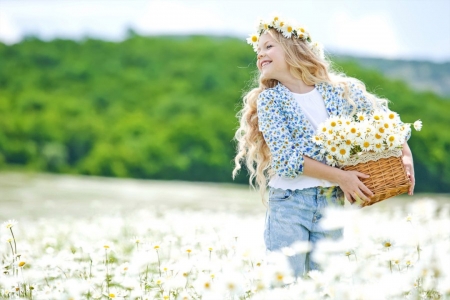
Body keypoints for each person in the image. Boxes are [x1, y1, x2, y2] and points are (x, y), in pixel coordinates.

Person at [232, 16, 415, 277]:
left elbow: (383, 118)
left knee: (328, 283)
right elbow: (286, 160)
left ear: (293, 48)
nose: (260, 54)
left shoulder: (337, 90)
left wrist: (405, 156)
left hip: (331, 201)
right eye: (258, 50)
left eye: (268, 46)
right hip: (290, 202)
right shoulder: (270, 101)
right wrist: (342, 177)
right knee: (285, 282)